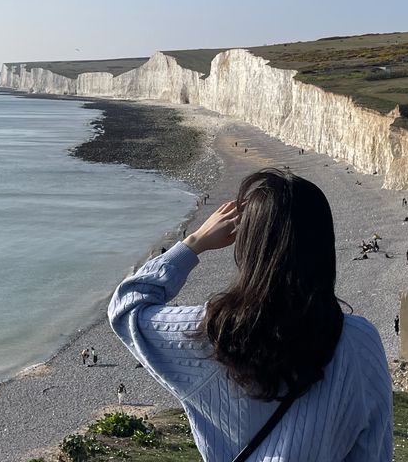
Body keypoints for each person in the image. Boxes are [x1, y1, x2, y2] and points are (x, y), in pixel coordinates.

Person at [109, 168, 393, 462]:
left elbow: (126, 307)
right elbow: (373, 450)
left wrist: (195, 242)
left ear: (249, 247)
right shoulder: (360, 342)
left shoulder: (210, 336)